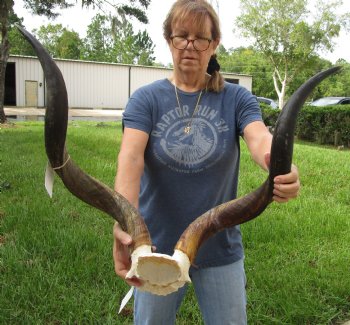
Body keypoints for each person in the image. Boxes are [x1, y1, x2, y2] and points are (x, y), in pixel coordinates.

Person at [113, 0, 300, 324]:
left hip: (220, 248)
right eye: (181, 35)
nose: (190, 45)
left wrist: (281, 166)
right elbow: (130, 159)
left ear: (213, 44)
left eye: (200, 38)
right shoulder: (146, 99)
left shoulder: (237, 98)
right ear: (169, 39)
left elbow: (259, 138)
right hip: (155, 249)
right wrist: (124, 223)